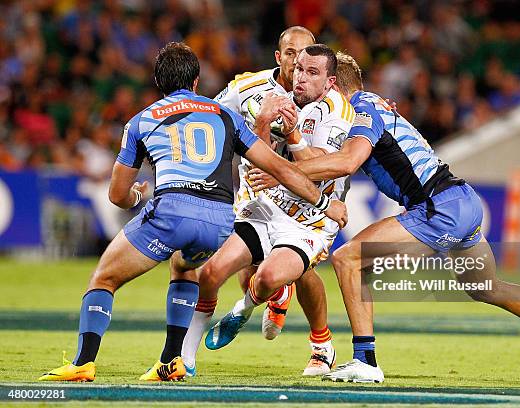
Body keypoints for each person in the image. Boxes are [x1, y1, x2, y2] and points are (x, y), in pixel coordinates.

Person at [249, 52, 520, 384]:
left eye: (314, 76)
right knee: (487, 287)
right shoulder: (371, 106)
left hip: (438, 206)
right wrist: (293, 151)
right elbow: (325, 165)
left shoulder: (362, 110)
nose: (304, 83)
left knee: (348, 258)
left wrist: (280, 169)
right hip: (459, 199)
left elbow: (346, 163)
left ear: (332, 85)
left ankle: (366, 361)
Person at [38, 42, 347, 382]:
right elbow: (280, 167)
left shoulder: (141, 120)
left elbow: (116, 194)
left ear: (158, 82)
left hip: (172, 212)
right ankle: (172, 360)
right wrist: (324, 202)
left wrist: (135, 198)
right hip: (218, 220)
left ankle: (83, 361)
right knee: (184, 265)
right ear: (197, 81)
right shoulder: (225, 115)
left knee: (104, 278)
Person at [181, 27, 341, 377]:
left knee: (291, 274)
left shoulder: (332, 104)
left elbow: (328, 165)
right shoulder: (248, 89)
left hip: (309, 214)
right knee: (217, 273)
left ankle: (320, 344)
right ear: (279, 57)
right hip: (261, 202)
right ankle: (184, 359)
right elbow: (212, 119)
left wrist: (287, 157)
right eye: (292, 57)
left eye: (307, 61)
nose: (298, 65)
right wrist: (263, 122)